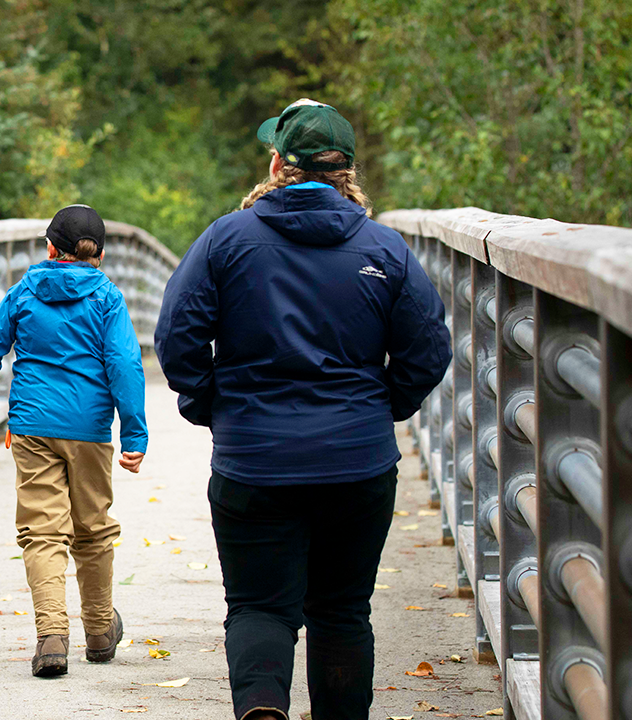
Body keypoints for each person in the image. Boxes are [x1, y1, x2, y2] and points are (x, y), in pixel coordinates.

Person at [154, 99, 451, 720]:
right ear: (347, 171)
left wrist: (214, 405)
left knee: (259, 604)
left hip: (253, 460)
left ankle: (263, 708)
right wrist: (381, 407)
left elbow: (177, 337)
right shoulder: (385, 248)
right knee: (342, 609)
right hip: (358, 460)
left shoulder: (225, 240)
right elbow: (427, 348)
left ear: (276, 163)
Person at [0, 205, 149, 678]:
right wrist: (135, 430)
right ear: (99, 255)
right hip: (89, 429)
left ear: (49, 248)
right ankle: (101, 632)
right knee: (93, 526)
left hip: (32, 427)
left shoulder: (24, 292)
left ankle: (51, 638)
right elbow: (125, 365)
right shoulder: (107, 297)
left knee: (41, 531)